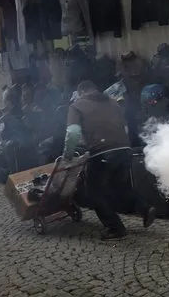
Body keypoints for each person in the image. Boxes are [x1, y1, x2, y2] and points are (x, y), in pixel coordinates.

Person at [62, 80, 156, 240]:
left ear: (82, 92)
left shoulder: (77, 106)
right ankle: (145, 208)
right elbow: (124, 127)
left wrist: (67, 155)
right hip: (125, 148)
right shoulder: (113, 103)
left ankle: (115, 228)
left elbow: (73, 133)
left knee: (93, 191)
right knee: (120, 186)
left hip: (102, 151)